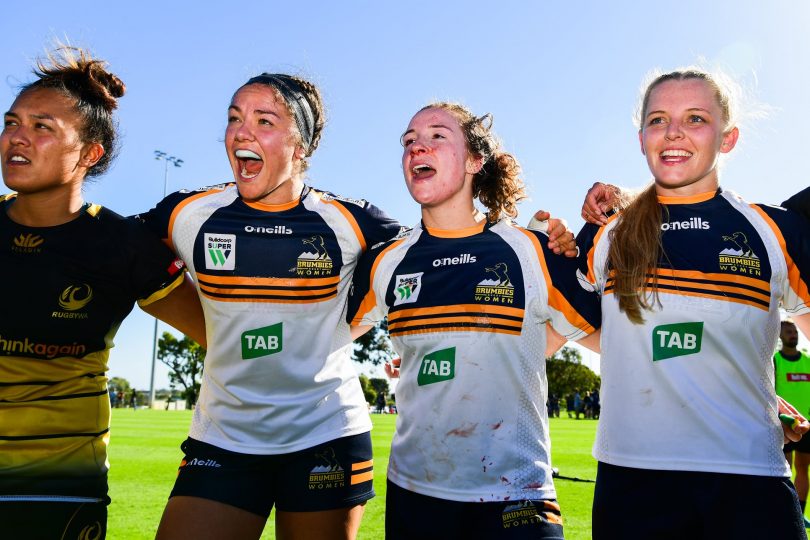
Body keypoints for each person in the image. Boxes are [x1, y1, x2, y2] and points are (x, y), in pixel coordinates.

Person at [573, 67, 810, 539]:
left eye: (695, 118)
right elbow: (591, 331)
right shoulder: (605, 234)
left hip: (751, 479)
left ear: (728, 138)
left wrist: (752, 392)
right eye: (658, 120)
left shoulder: (776, 231)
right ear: (641, 139)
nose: (673, 132)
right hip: (632, 483)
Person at [347, 102, 600, 539]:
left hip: (518, 493)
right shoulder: (387, 261)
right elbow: (318, 339)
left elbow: (616, 339)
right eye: (409, 140)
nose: (417, 146)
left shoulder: (530, 250)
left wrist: (608, 221)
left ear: (474, 160)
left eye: (437, 135)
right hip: (416, 494)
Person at [0, 45, 205, 539]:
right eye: (12, 123)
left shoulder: (122, 245)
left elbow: (220, 338)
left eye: (42, 127)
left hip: (60, 490)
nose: (16, 138)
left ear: (90, 154)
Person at [777, 319, 810, 528]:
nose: (793, 334)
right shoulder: (775, 360)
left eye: (794, 330)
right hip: (783, 423)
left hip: (806, 423)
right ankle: (785, 511)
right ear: (779, 335)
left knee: (803, 468)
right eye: (788, 331)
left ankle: (800, 513)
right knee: (785, 469)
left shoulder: (807, 360)